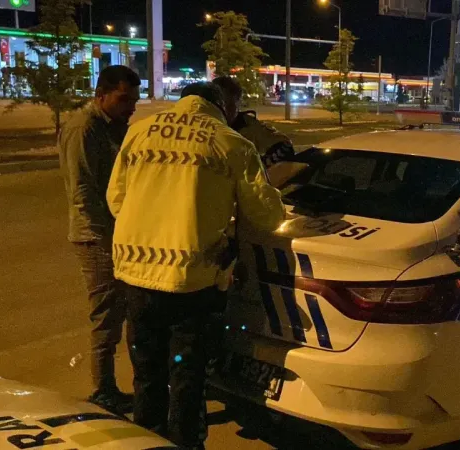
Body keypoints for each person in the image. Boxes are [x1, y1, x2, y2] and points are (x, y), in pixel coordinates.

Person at [106, 82, 286, 448]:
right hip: (191, 282)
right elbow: (266, 215)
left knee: (147, 371)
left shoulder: (139, 131)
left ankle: (147, 439)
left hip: (136, 276)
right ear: (220, 106)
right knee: (187, 375)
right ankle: (185, 442)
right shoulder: (232, 143)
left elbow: (116, 200)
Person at [58, 65, 141, 415]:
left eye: (134, 100)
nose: (131, 107)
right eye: (124, 99)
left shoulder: (115, 126)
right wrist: (107, 243)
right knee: (106, 315)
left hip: (117, 235)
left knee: (125, 311)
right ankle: (102, 390)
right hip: (96, 238)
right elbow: (83, 192)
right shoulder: (84, 128)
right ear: (101, 95)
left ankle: (116, 385)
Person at [211, 76, 295, 169]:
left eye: (228, 105)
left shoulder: (249, 126)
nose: (223, 110)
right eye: (217, 104)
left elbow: (285, 145)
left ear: (238, 103)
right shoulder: (202, 126)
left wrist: (258, 167)